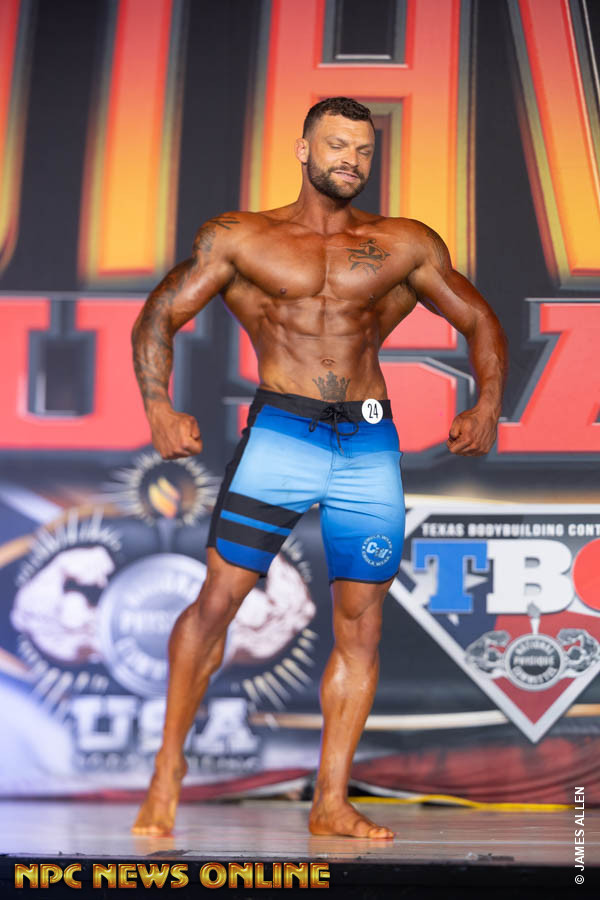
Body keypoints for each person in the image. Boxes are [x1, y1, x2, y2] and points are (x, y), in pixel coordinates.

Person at [130, 96, 508, 839]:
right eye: (337, 146)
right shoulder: (242, 237)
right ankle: (168, 765)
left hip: (367, 443)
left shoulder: (404, 244)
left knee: (361, 625)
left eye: (363, 150)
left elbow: (478, 318)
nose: (351, 161)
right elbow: (159, 316)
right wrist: (159, 409)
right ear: (303, 150)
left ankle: (331, 800)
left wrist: (488, 402)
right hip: (282, 433)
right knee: (219, 601)